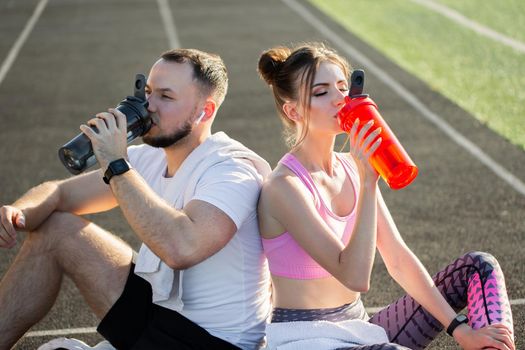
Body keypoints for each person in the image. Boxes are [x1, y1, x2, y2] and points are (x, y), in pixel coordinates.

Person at [0, 48, 272, 350]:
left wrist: (116, 163)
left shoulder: (231, 169)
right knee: (54, 230)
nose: (148, 106)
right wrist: (18, 213)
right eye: (148, 92)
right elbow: (59, 193)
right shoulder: (149, 159)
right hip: (161, 321)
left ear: (204, 111)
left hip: (210, 342)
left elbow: (183, 248)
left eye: (165, 97)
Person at [256, 42, 515, 350]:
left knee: (478, 267)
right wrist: (368, 183)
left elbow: (398, 259)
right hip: (307, 337)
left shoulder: (352, 166)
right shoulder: (285, 186)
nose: (340, 99)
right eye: (322, 92)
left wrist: (461, 330)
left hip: (359, 325)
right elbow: (355, 276)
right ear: (293, 110)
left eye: (343, 87)